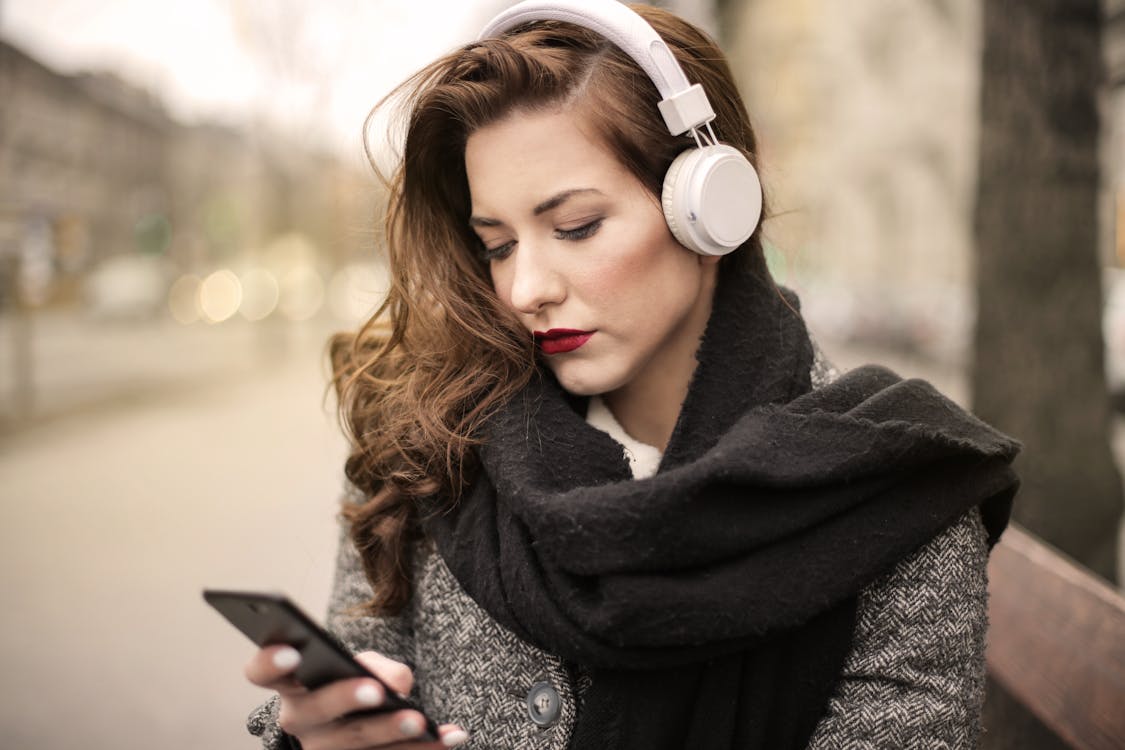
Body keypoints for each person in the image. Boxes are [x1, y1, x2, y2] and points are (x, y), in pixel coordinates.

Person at [242, 1, 1020, 748]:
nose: (524, 290)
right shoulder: (427, 441)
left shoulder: (888, 491)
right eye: (498, 244)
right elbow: (358, 657)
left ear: (710, 205)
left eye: (575, 227)